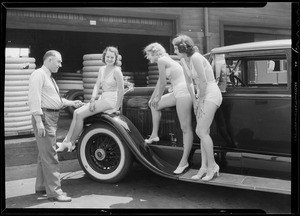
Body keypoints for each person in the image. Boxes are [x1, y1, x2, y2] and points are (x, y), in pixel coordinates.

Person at [28, 50, 83, 202]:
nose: (60, 65)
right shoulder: (38, 74)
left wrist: (72, 102)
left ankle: (41, 186)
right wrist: (39, 122)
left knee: (43, 154)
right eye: (58, 61)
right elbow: (34, 98)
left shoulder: (48, 77)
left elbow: (55, 100)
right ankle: (55, 192)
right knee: (51, 155)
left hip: (50, 116)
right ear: (50, 60)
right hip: (45, 118)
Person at [172, 34, 223, 181]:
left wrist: (199, 101)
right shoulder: (183, 60)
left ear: (183, 48)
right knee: (203, 131)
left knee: (200, 130)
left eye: (176, 48)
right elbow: (189, 83)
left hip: (211, 93)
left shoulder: (195, 57)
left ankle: (213, 166)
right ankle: (203, 168)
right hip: (201, 94)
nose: (175, 51)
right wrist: (194, 100)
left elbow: (204, 82)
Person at [56, 46, 124, 152]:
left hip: (111, 100)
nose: (109, 59)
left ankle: (72, 143)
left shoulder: (117, 71)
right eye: (107, 57)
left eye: (112, 57)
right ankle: (66, 142)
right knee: (76, 112)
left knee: (79, 115)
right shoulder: (102, 69)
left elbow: (121, 90)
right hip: (103, 97)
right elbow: (97, 85)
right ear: (104, 57)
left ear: (115, 59)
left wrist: (116, 107)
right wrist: (92, 99)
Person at [143, 42, 194, 175]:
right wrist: (153, 99)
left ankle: (184, 161)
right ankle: (154, 135)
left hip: (183, 92)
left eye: (148, 54)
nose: (147, 57)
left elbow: (163, 83)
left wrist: (158, 97)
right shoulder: (166, 58)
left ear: (154, 53)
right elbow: (160, 82)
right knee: (154, 106)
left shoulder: (161, 60)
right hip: (177, 91)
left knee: (185, 127)